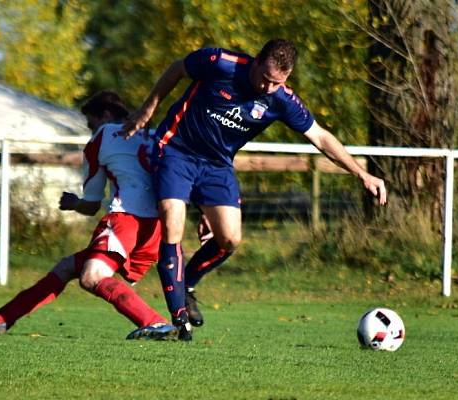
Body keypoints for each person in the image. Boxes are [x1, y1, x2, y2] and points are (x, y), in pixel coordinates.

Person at [122, 39, 388, 339]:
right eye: (266, 78)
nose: (268, 88)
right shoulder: (220, 63)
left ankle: (189, 284)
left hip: (218, 164)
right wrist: (148, 108)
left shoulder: (281, 100)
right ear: (257, 60)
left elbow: (321, 137)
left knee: (230, 239)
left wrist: (362, 174)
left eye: (277, 83)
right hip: (176, 148)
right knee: (172, 219)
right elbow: (177, 69)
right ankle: (178, 318)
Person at [0, 90, 180, 340]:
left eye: (91, 123)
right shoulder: (154, 135)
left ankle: (154, 323)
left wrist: (73, 202)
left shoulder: (104, 135)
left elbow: (90, 204)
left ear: (106, 115)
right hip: (159, 227)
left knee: (93, 276)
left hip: (126, 220)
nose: (91, 130)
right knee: (66, 268)